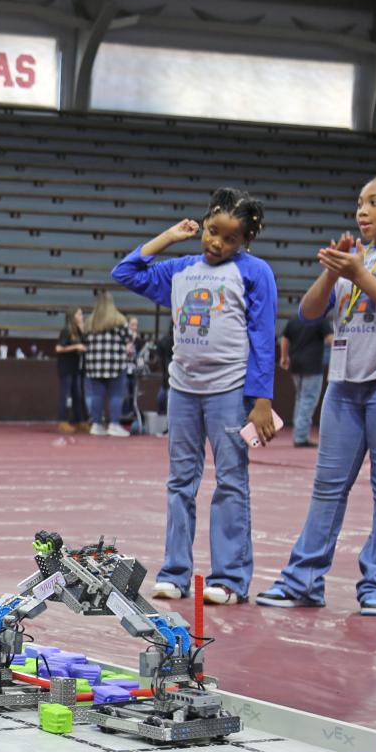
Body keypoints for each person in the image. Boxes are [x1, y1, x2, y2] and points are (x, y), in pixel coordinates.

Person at [257, 157, 376, 617]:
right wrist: (336, 271)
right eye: (359, 202)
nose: (362, 210)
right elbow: (310, 313)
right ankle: (302, 580)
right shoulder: (358, 255)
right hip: (344, 384)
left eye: (374, 202)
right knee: (327, 487)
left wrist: (360, 275)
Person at [113, 188, 277, 605]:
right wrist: (168, 238)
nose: (216, 243)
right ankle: (174, 572)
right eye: (211, 231)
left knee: (230, 482)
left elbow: (262, 337)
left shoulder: (255, 272)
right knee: (180, 482)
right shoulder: (181, 268)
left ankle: (230, 578)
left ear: (244, 241)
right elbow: (126, 273)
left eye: (229, 238)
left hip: (229, 391)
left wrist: (262, 400)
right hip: (183, 391)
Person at [81, 291, 132, 437]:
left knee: (96, 395)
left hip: (94, 364)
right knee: (116, 395)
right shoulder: (119, 320)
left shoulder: (90, 321)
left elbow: (84, 340)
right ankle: (114, 424)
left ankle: (96, 424)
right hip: (115, 363)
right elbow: (129, 338)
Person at [279, 311, 331, 447]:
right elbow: (330, 339)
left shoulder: (294, 318)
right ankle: (300, 436)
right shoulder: (320, 318)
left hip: (296, 363)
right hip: (312, 364)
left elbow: (284, 338)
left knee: (300, 399)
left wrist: (284, 357)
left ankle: (299, 433)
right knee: (308, 400)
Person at [53, 307, 86, 433]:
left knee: (77, 394)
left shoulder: (78, 331)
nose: (82, 316)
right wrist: (75, 346)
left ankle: (80, 421)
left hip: (76, 367)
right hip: (66, 367)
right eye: (79, 314)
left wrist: (83, 330)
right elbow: (59, 348)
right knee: (65, 395)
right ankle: (62, 421)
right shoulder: (66, 331)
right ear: (73, 316)